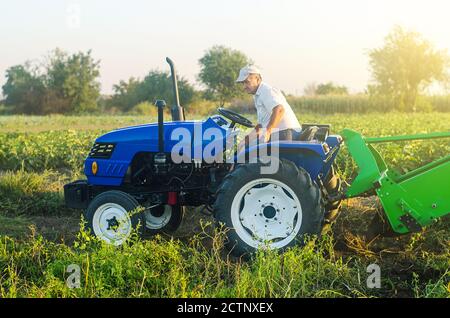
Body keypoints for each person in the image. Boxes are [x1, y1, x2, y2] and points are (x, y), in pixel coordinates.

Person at [235, 65, 301, 151]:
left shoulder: (266, 90)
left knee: (253, 153)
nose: (244, 87)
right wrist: (245, 141)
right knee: (247, 147)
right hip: (280, 132)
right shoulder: (258, 95)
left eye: (247, 82)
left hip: (285, 133)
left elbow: (280, 109)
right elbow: (260, 126)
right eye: (242, 83)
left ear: (257, 79)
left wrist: (268, 131)